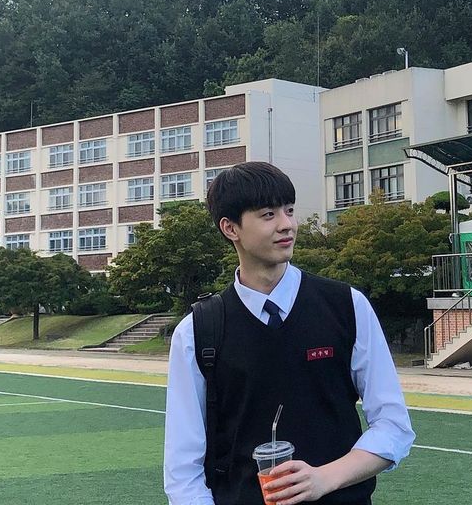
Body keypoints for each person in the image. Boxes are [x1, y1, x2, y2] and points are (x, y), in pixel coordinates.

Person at [164, 161, 414, 505]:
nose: (287, 225)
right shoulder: (197, 331)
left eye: (289, 210)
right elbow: (182, 468)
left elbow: (394, 427)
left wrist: (324, 478)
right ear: (230, 228)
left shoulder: (347, 306)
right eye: (268, 215)